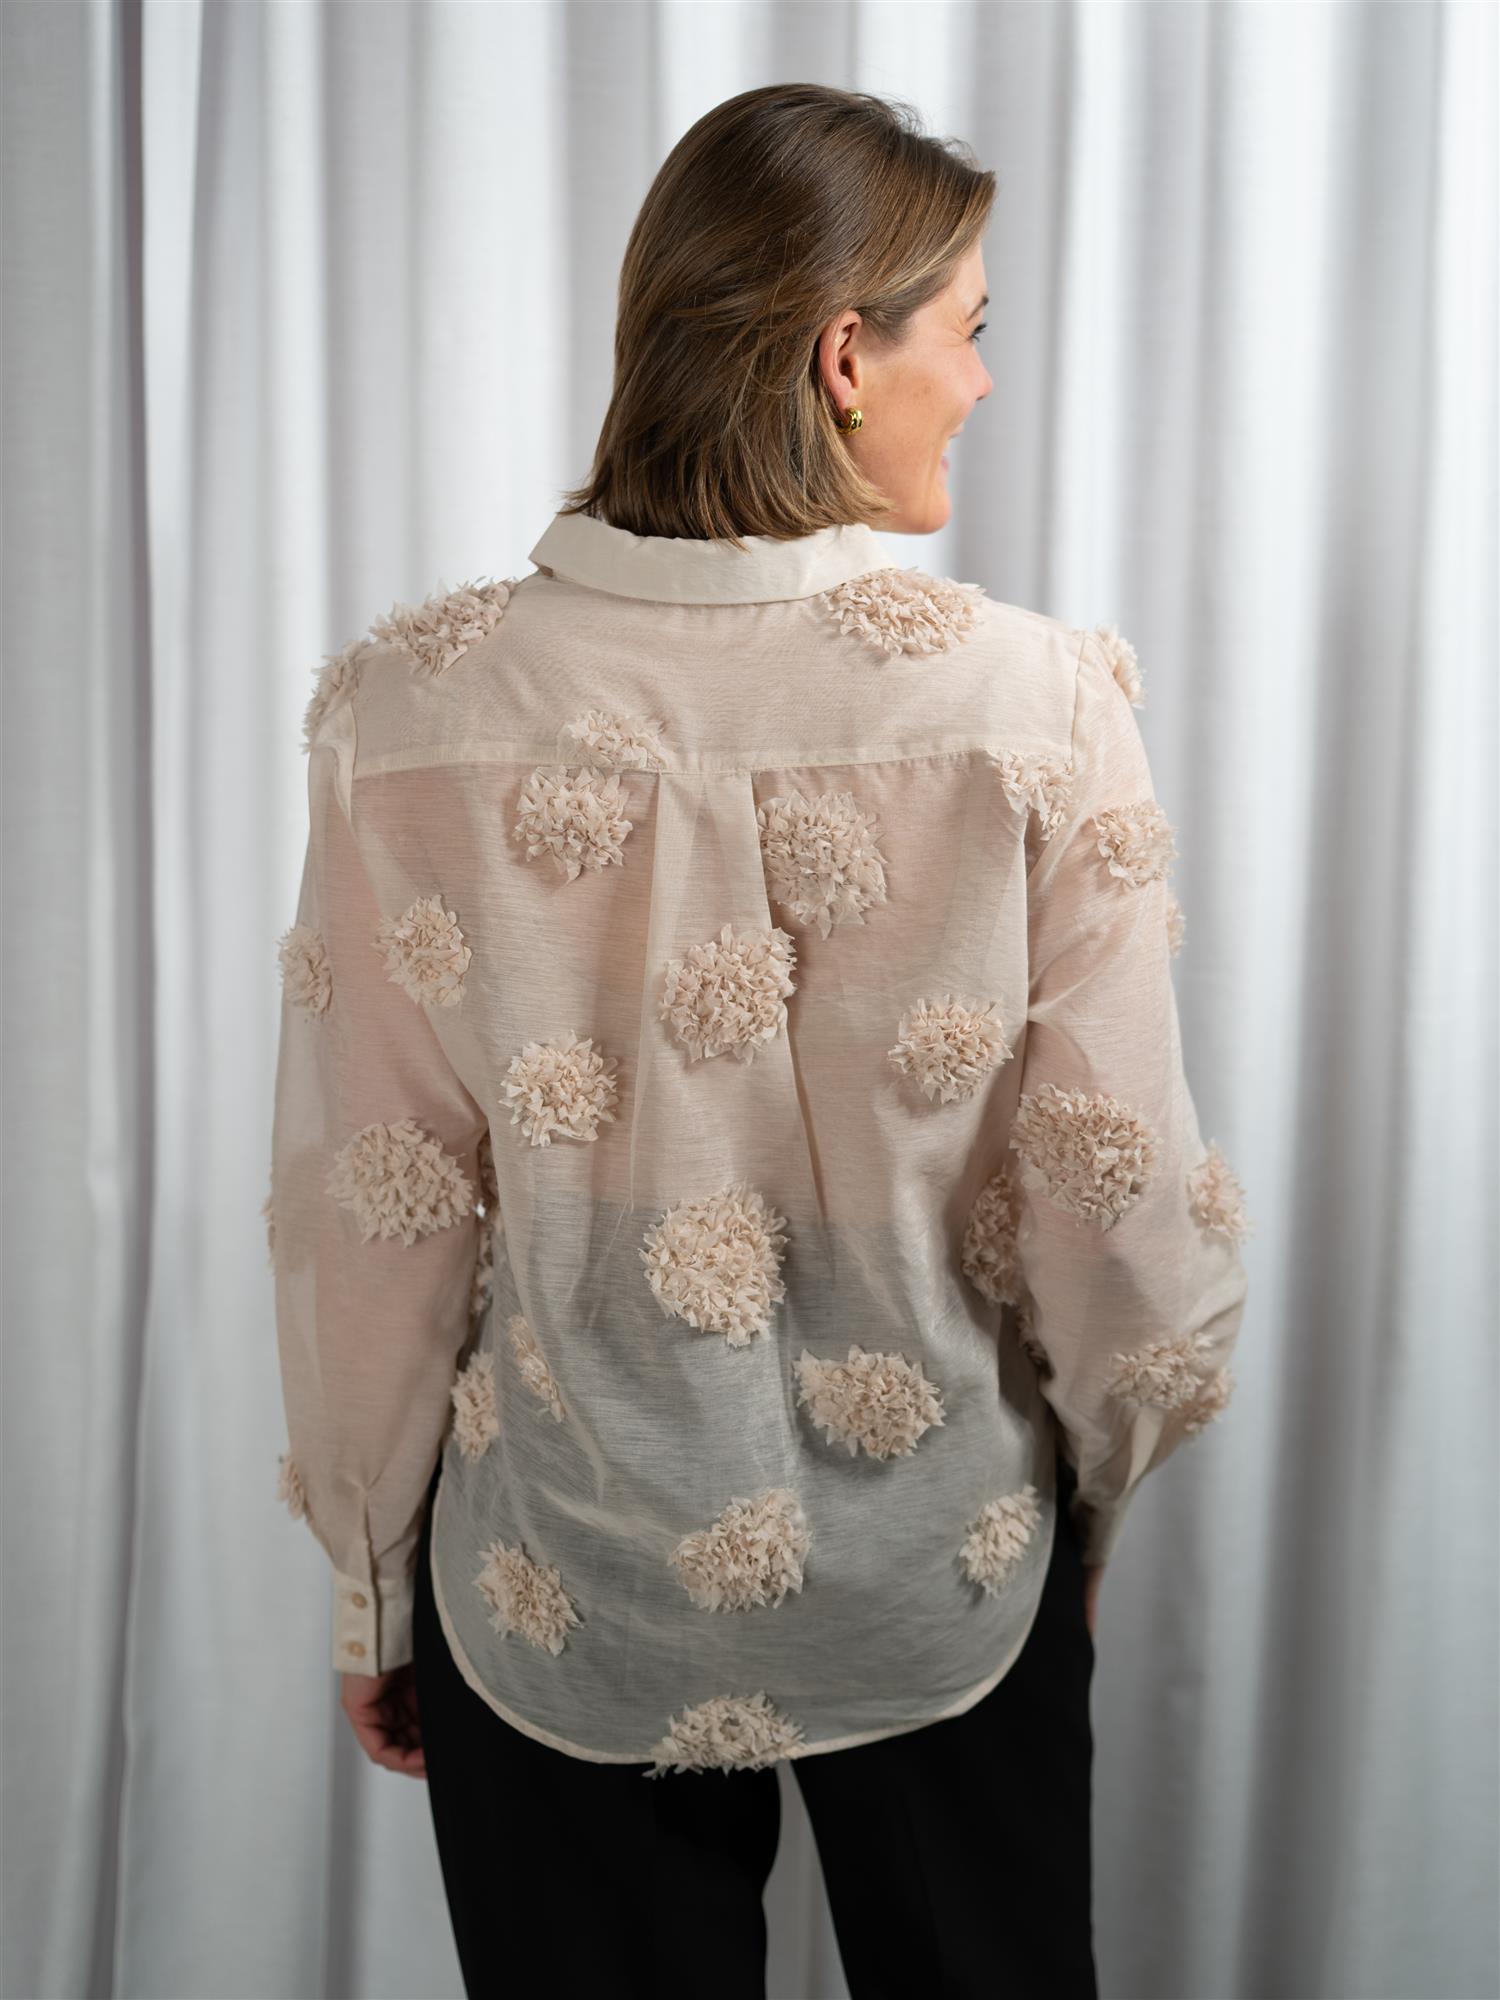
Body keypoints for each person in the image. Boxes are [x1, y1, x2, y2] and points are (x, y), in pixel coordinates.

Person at [269, 82, 1250, 2000]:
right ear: (842, 356)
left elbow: (372, 1209)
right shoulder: (1038, 704)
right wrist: (1100, 1497)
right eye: (969, 327)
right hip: (950, 1564)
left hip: (553, 1579)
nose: (984, 379)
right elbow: (1113, 1200)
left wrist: (371, 1584)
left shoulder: (407, 711)